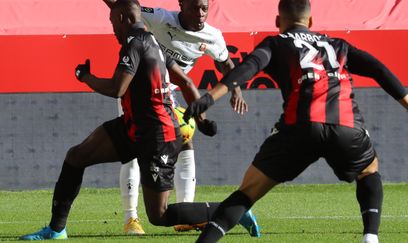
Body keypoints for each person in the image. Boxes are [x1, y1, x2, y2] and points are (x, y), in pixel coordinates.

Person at [183, 0, 408, 242]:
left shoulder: (275, 43)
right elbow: (379, 70)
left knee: (247, 192)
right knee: (369, 170)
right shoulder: (337, 44)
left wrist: (208, 99)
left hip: (299, 129)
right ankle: (370, 236)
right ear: (310, 20)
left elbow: (247, 68)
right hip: (346, 127)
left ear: (278, 21)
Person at [19, 0, 256, 240]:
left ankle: (233, 211)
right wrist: (201, 120)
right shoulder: (154, 41)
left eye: (112, 23)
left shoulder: (136, 42)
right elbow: (185, 82)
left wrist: (85, 76)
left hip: (157, 134)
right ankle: (56, 230)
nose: (112, 29)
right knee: (76, 156)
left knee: (159, 216)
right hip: (134, 126)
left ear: (122, 19)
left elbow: (117, 89)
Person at [103, 0, 256, 235]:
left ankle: (186, 216)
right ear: (181, 5)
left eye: (204, 7)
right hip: (137, 91)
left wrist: (236, 91)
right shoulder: (160, 18)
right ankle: (131, 218)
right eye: (195, 7)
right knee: (133, 150)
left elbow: (225, 63)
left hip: (168, 95)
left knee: (185, 140)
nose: (201, 13)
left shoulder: (213, 36)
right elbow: (125, 6)